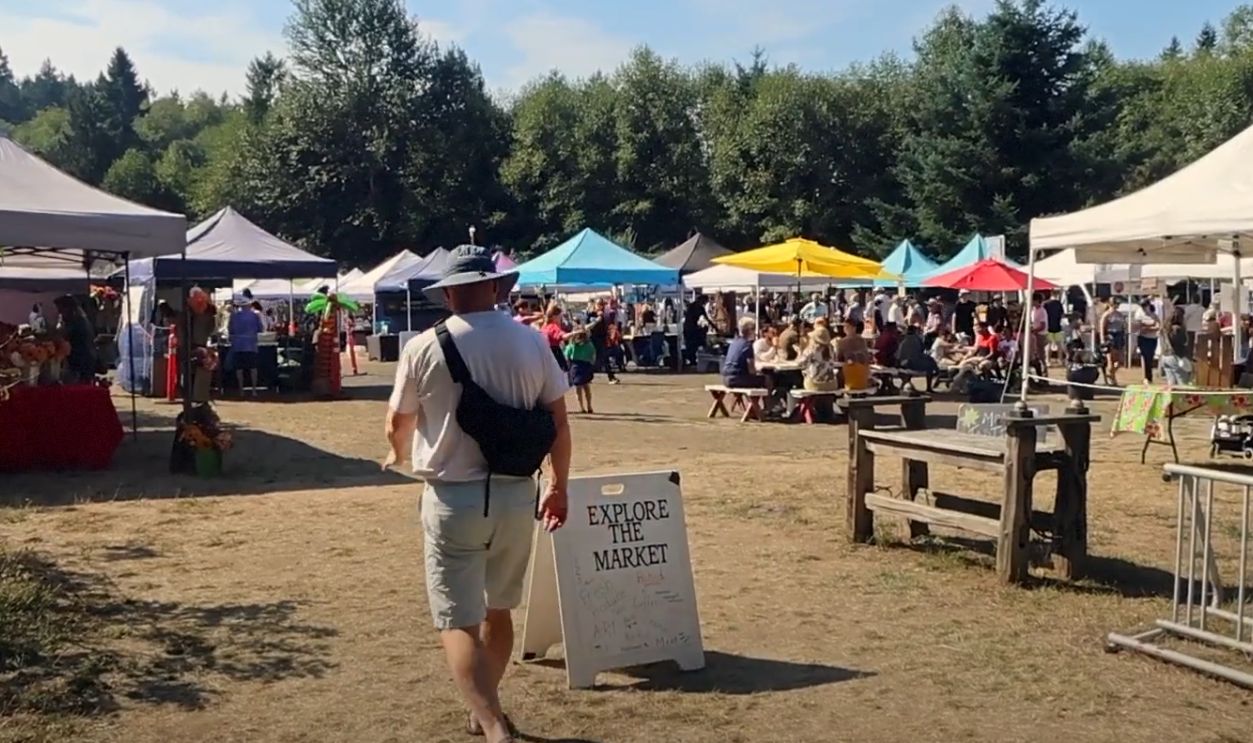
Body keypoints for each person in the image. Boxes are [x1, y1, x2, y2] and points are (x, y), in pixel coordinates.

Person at [384, 245, 570, 743]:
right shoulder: (533, 341)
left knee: (456, 621)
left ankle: (491, 724)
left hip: (453, 498)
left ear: (447, 294)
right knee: (498, 610)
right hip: (516, 494)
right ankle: (487, 706)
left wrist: (396, 453)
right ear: (495, 287)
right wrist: (559, 486)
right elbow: (558, 423)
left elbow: (398, 422)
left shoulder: (423, 346)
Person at [53, 295, 96, 384]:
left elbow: (65, 337)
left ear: (68, 308)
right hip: (81, 360)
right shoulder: (80, 320)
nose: (59, 312)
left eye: (61, 309)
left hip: (80, 362)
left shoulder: (77, 322)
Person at [228, 299, 264, 396]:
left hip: (238, 345)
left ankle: (241, 390)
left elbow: (230, 330)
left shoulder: (234, 316)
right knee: (253, 368)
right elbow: (260, 329)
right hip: (251, 345)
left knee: (239, 369)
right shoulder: (254, 316)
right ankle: (254, 390)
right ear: (249, 305)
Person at [721, 317, 764, 388]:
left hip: (725, 378)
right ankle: (769, 395)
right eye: (754, 328)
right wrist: (758, 371)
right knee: (765, 379)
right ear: (750, 330)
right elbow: (751, 370)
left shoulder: (734, 342)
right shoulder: (747, 345)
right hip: (737, 378)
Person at [586, 299, 619, 385]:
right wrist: (597, 318)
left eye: (602, 305)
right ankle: (588, 377)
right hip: (594, 339)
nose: (601, 307)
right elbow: (589, 326)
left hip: (602, 338)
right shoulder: (592, 314)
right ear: (595, 305)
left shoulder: (603, 314)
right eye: (599, 305)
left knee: (604, 358)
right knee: (594, 358)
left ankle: (610, 377)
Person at [563, 328, 596, 413]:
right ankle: (589, 406)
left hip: (575, 366)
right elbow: (593, 356)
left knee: (578, 387)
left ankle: (582, 407)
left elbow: (567, 356)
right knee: (586, 386)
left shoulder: (572, 345)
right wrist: (591, 364)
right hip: (585, 366)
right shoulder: (589, 344)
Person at [897, 324, 938, 391]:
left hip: (903, 363)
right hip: (913, 363)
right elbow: (922, 350)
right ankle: (929, 387)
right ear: (915, 331)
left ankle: (905, 384)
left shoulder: (902, 339)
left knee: (926, 360)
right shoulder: (917, 339)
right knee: (930, 365)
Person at [799, 325, 839, 392]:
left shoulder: (811, 349)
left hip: (815, 384)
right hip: (831, 384)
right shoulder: (831, 349)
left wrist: (800, 352)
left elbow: (801, 364)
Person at [1160, 308, 1193, 386]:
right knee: (1182, 383)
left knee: (1171, 383)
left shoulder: (1165, 328)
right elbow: (1182, 342)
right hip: (1176, 357)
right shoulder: (1178, 329)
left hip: (1165, 356)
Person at [1100, 298, 1127, 386]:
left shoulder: (1120, 314)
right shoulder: (1106, 314)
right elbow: (1102, 327)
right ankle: (1112, 378)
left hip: (1119, 336)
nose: (1116, 305)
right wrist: (1102, 340)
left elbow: (1123, 326)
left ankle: (1111, 375)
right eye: (1115, 303)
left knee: (1120, 360)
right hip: (1110, 336)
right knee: (1110, 360)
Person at [683, 295, 715, 365]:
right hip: (689, 328)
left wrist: (714, 326)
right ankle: (691, 359)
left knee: (693, 344)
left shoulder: (699, 307)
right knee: (692, 344)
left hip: (692, 327)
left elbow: (707, 318)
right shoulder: (693, 307)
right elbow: (706, 318)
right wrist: (713, 327)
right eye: (704, 302)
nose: (704, 303)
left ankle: (692, 359)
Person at [1134, 299, 1161, 384]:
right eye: (1142, 306)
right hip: (1143, 338)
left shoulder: (1154, 315)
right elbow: (1138, 326)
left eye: (1145, 306)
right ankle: (1146, 377)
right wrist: (1151, 325)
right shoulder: (1139, 313)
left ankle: (1149, 376)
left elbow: (1158, 326)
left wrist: (1147, 327)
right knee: (1145, 356)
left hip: (1152, 338)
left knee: (1150, 357)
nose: (1143, 308)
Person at [540, 304, 569, 371]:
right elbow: (563, 336)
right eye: (560, 317)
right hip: (555, 352)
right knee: (562, 371)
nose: (561, 320)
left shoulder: (544, 327)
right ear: (554, 317)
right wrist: (575, 333)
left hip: (544, 353)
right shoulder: (554, 327)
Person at [1044, 292, 1065, 365]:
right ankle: (1060, 360)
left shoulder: (1045, 304)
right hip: (1057, 326)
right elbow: (1062, 315)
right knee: (1059, 344)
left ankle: (1048, 360)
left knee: (1048, 344)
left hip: (1048, 327)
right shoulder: (1059, 303)